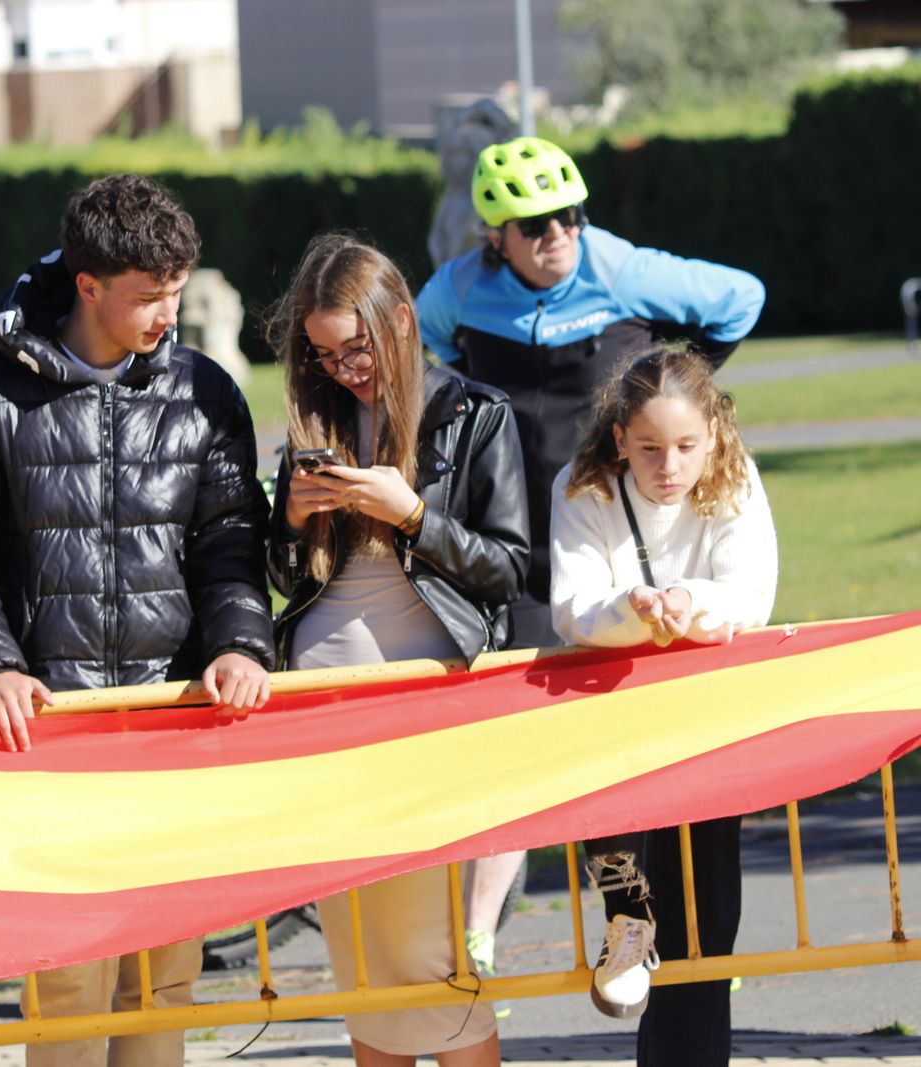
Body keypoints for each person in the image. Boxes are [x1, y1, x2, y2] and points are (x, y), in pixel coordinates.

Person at [0, 173, 276, 1067]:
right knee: (68, 978)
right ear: (87, 285)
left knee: (165, 976)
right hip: (51, 730)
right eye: (149, 295)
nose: (169, 314)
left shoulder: (207, 392)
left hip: (173, 723)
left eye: (177, 290)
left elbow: (231, 545)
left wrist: (238, 643)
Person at [416, 135, 766, 990]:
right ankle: (616, 915)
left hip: (613, 523)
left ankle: (693, 935)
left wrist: (676, 391)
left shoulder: (617, 265)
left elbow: (741, 298)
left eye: (569, 215)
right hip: (523, 539)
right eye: (535, 225)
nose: (558, 235)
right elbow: (422, 345)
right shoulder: (458, 288)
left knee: (645, 733)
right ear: (495, 235)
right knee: (553, 740)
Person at [266, 233, 527, 1067]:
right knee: (358, 949)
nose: (344, 370)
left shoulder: (477, 414)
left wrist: (411, 514)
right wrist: (293, 520)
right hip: (324, 708)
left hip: (426, 709)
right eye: (324, 355)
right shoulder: (318, 423)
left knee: (429, 950)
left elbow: (510, 569)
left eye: (356, 347)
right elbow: (285, 579)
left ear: (403, 320)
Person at [550, 345, 776, 1064]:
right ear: (620, 439)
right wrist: (635, 607)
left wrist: (688, 601)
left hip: (709, 716)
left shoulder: (735, 476)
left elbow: (750, 594)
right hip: (613, 713)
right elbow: (574, 608)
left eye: (685, 446)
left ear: (713, 434)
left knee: (706, 919)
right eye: (649, 448)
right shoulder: (582, 487)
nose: (669, 466)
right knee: (633, 877)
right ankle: (624, 918)